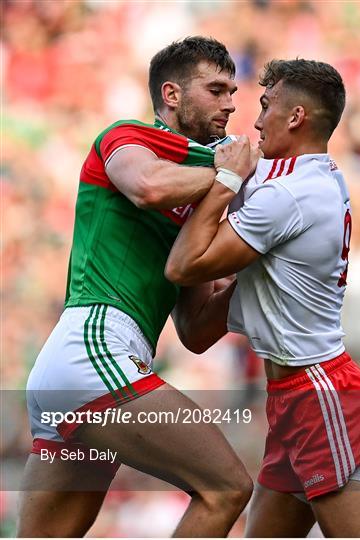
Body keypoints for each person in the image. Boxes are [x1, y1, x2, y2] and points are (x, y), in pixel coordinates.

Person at [17, 37, 254, 538]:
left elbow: (192, 329)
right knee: (227, 488)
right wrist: (229, 176)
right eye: (215, 89)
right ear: (171, 94)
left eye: (233, 91)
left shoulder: (204, 187)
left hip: (89, 361)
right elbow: (146, 186)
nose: (231, 103)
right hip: (93, 348)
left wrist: (246, 281)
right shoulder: (129, 136)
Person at [165, 58, 360, 537]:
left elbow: (182, 268)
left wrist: (215, 187)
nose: (253, 119)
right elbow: (195, 332)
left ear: (295, 118)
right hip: (292, 397)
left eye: (266, 106)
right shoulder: (306, 181)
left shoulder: (288, 196)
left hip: (321, 395)